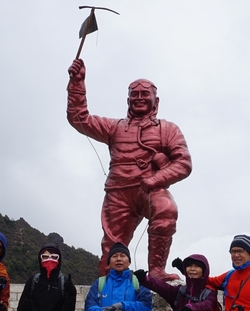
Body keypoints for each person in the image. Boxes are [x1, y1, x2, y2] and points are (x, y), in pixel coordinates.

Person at [67, 58, 192, 281]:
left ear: (156, 101)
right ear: (128, 100)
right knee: (112, 244)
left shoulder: (168, 129)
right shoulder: (114, 127)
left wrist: (156, 179)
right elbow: (80, 118)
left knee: (166, 210)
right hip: (118, 192)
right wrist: (77, 82)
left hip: (149, 189)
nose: (139, 98)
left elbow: (183, 163)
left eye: (145, 95)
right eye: (135, 95)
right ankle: (109, 285)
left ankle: (156, 272)